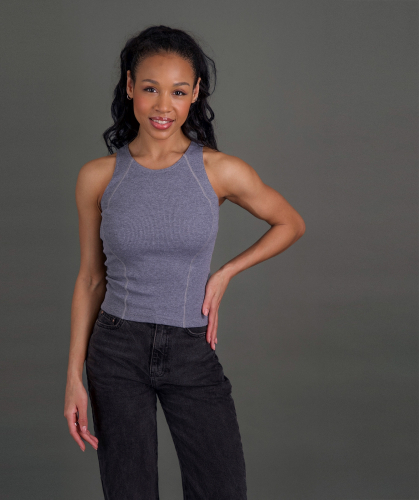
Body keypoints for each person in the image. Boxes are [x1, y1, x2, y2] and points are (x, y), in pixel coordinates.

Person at [64, 25, 306, 500]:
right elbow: (91, 278)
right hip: (115, 351)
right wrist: (74, 375)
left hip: (190, 349)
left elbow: (290, 223)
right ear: (129, 86)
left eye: (177, 91)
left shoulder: (218, 171)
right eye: (150, 88)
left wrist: (226, 272)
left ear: (195, 94)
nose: (163, 106)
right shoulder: (98, 177)